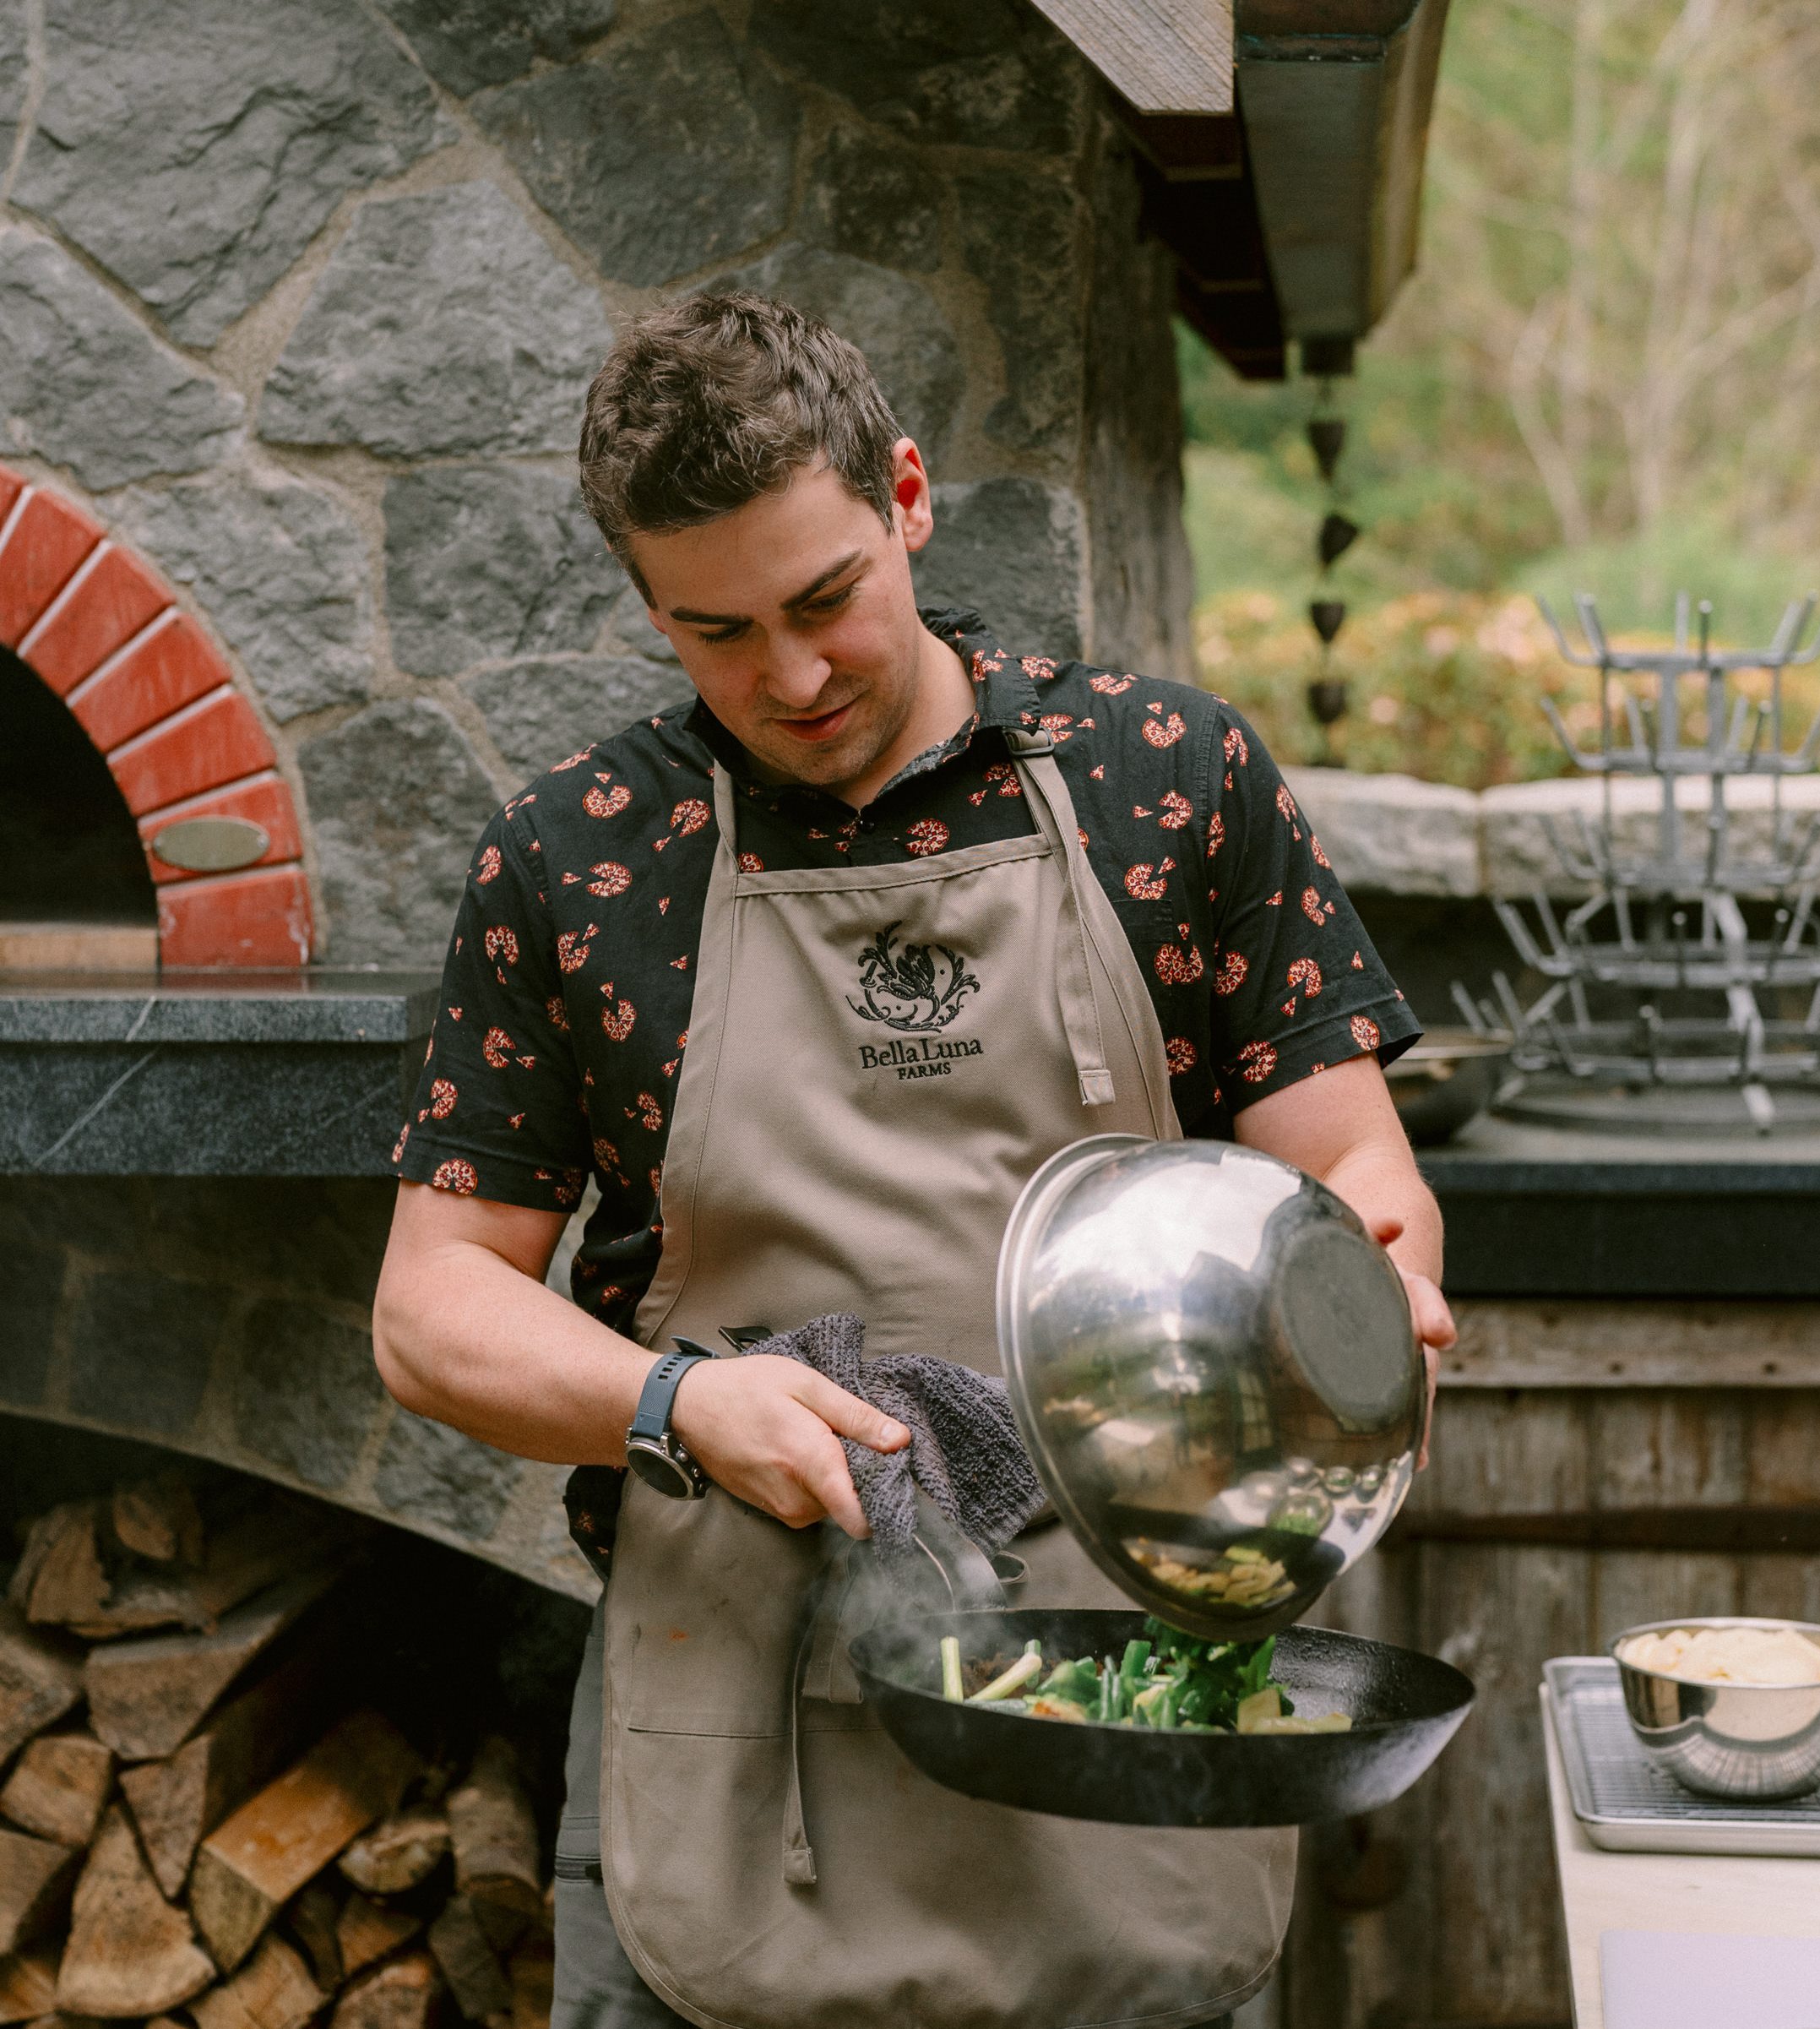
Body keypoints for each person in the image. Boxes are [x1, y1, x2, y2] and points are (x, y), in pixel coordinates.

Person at [372, 293, 1455, 2029]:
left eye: (826, 601)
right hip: (738, 1703)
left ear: (908, 495)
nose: (791, 677)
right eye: (716, 633)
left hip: (1133, 1681)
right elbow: (431, 1308)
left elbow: (1357, 1176)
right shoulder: (574, 859)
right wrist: (676, 1406)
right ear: (647, 604)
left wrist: (1381, 1292)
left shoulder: (1169, 780)